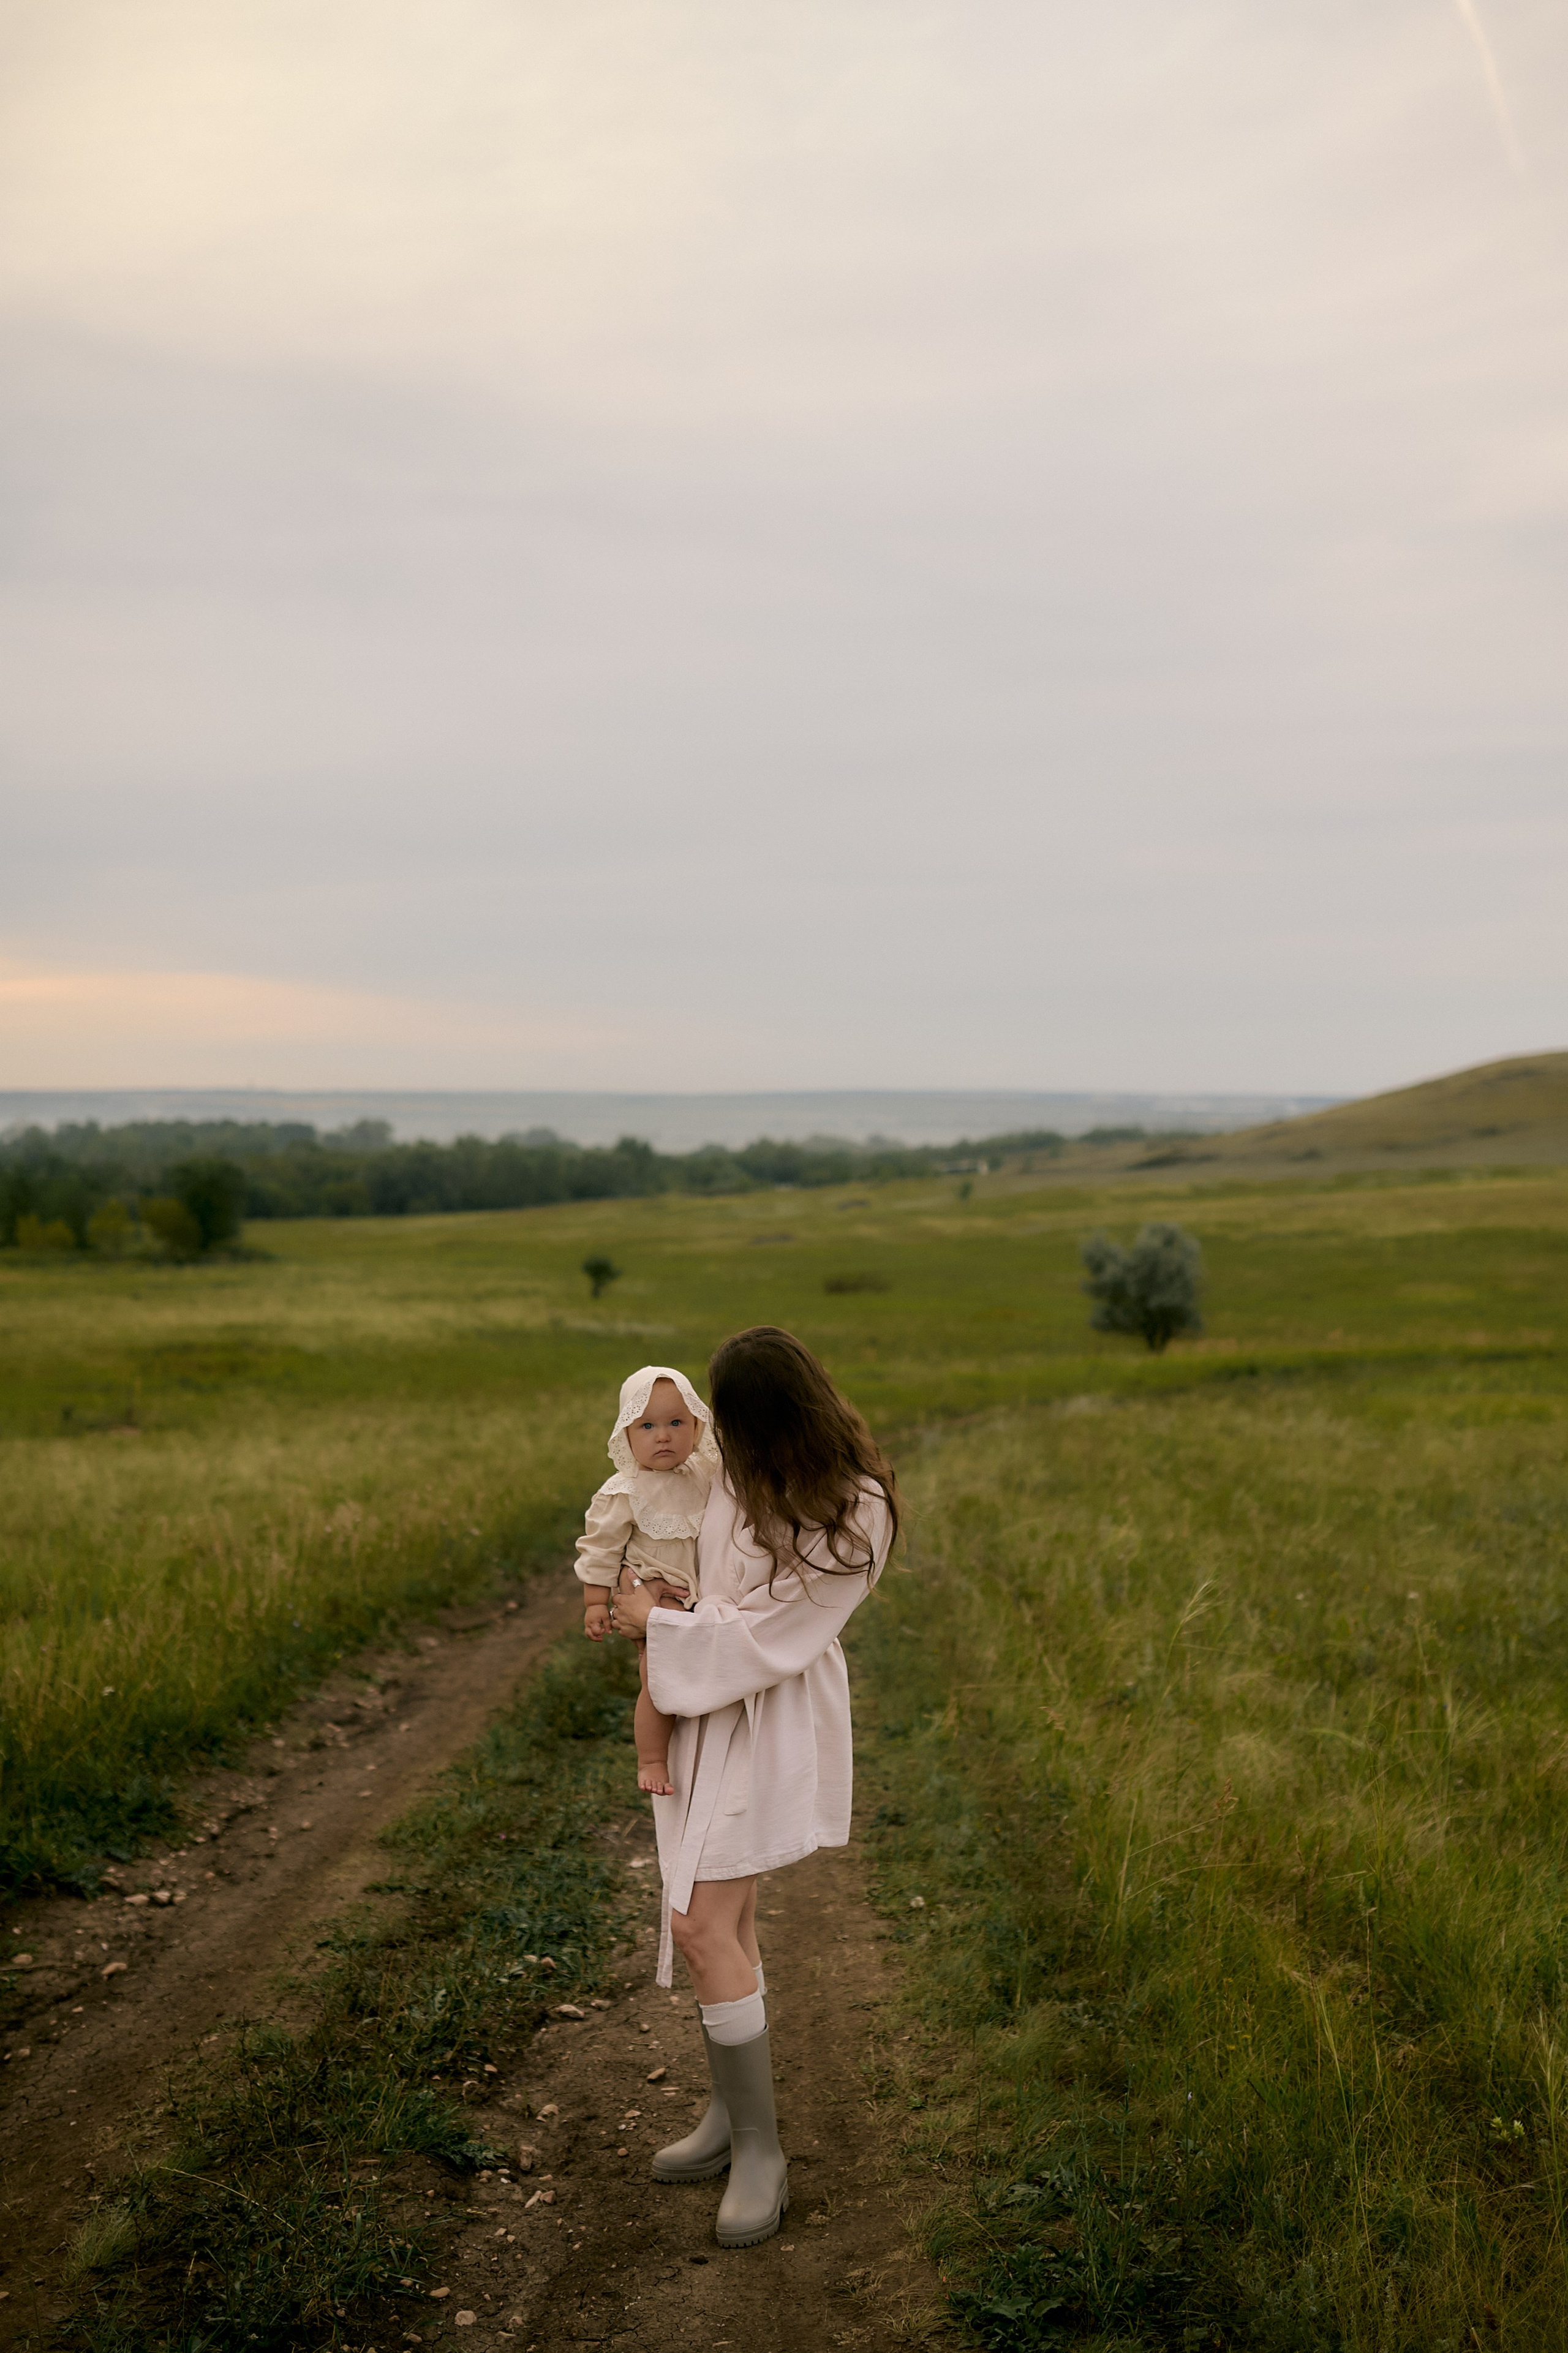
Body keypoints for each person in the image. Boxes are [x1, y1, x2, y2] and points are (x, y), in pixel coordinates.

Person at [610, 1325, 898, 2251]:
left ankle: (761, 2150)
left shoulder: (858, 1507)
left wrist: (664, 1622)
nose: (717, 1441)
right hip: (707, 1707)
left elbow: (772, 1634)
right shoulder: (736, 1470)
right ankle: (728, 2115)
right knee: (728, 1923)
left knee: (698, 1922)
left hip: (769, 1711)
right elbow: (684, 1549)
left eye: (728, 1421)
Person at [576, 1365, 719, 1794]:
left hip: (699, 1593)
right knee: (657, 1677)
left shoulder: (704, 1473)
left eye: (677, 1423)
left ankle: (700, 1745)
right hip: (655, 1591)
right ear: (627, 1434)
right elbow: (600, 1549)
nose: (664, 1436)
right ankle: (652, 1759)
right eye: (648, 1426)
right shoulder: (626, 1490)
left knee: (695, 1671)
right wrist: (595, 1603)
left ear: (697, 1426)